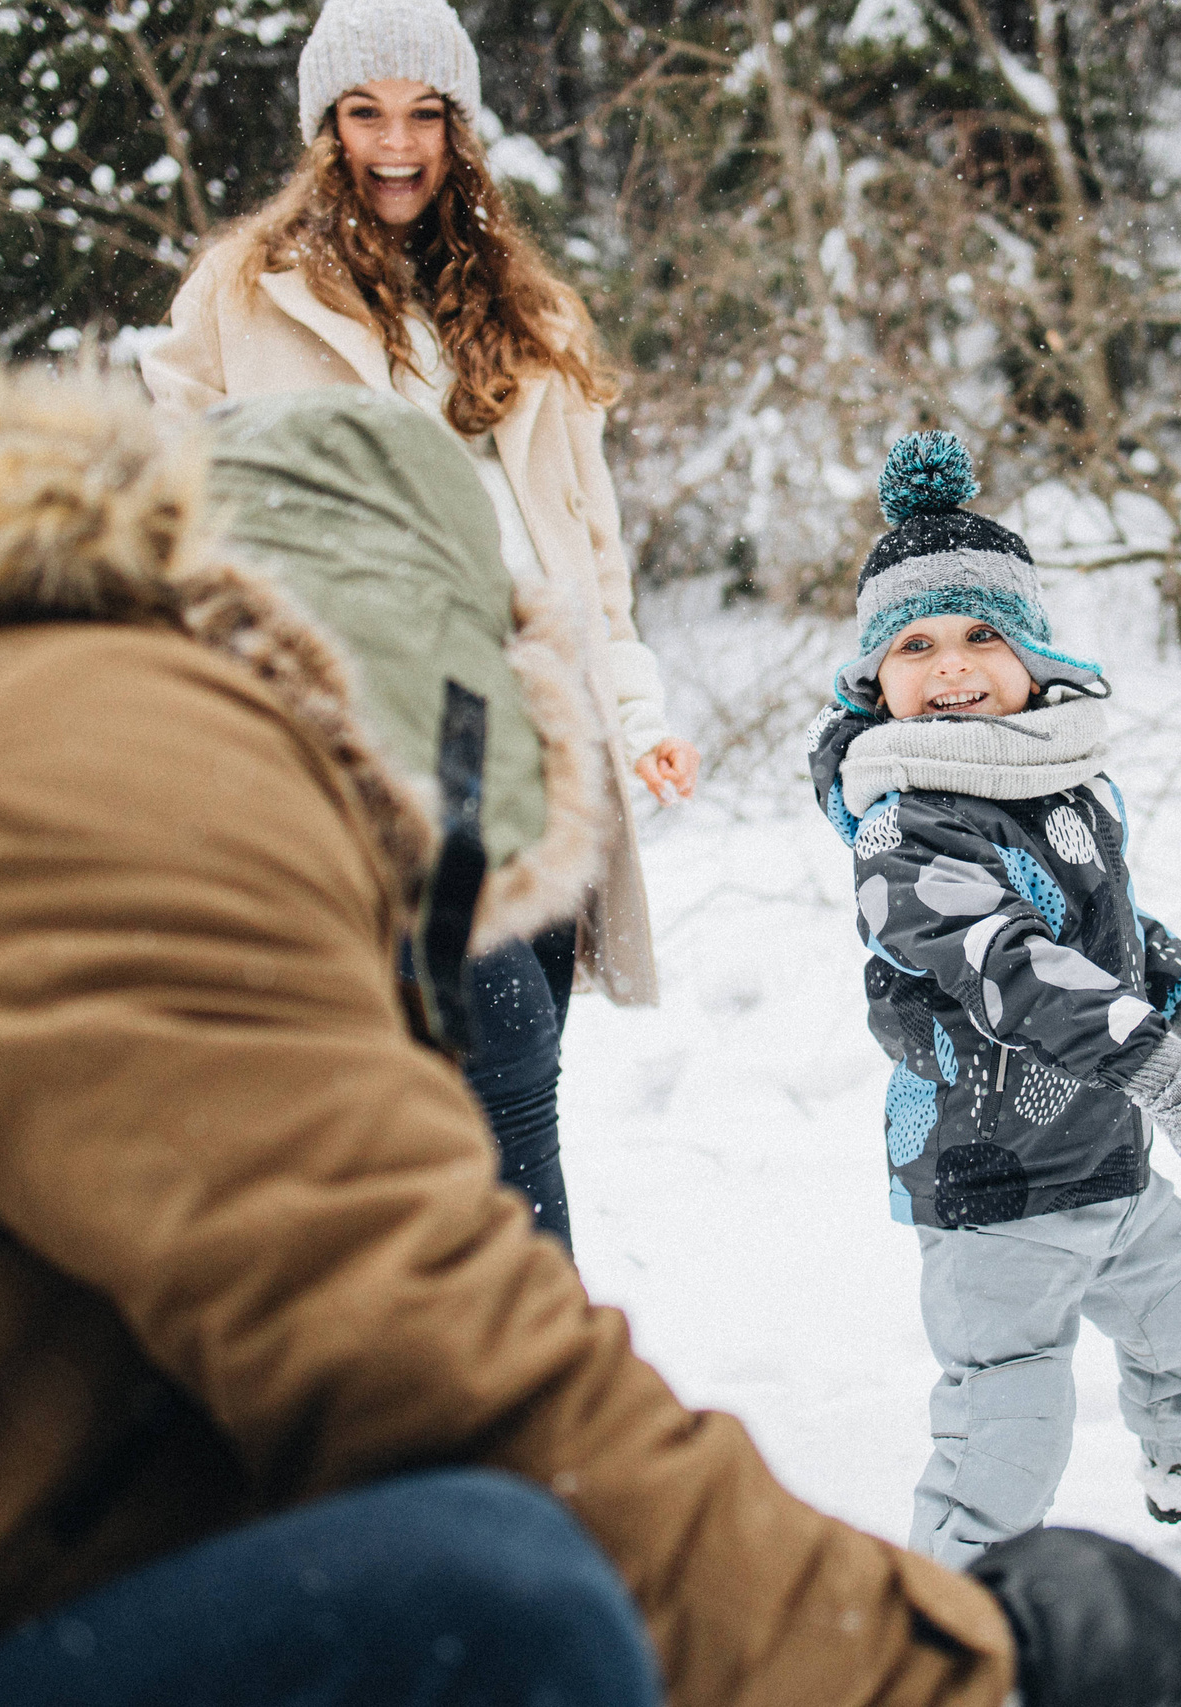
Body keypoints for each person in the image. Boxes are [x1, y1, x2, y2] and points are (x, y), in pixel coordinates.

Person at [0, 352, 1181, 1707]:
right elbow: (422, 1347)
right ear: (418, 685)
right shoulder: (84, 754)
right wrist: (956, 1668)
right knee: (490, 1601)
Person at [139, 0, 692, 1246]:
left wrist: (637, 708)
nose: (398, 145)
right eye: (365, 114)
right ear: (323, 128)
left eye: (425, 114)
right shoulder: (241, 295)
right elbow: (172, 500)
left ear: (461, 126)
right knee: (494, 1057)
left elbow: (587, 550)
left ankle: (468, 1345)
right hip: (365, 716)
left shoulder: (529, 311)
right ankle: (528, 1375)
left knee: (514, 1063)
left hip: (532, 720)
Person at [807, 433, 1181, 1568]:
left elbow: (1100, 930)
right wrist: (1149, 1060)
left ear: (1033, 653)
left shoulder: (1054, 783)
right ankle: (952, 1595)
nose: (951, 667)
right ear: (874, 681)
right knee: (1010, 1408)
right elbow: (1007, 962)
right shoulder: (903, 823)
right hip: (990, 1174)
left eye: (981, 636)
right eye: (916, 644)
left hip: (1098, 1150)